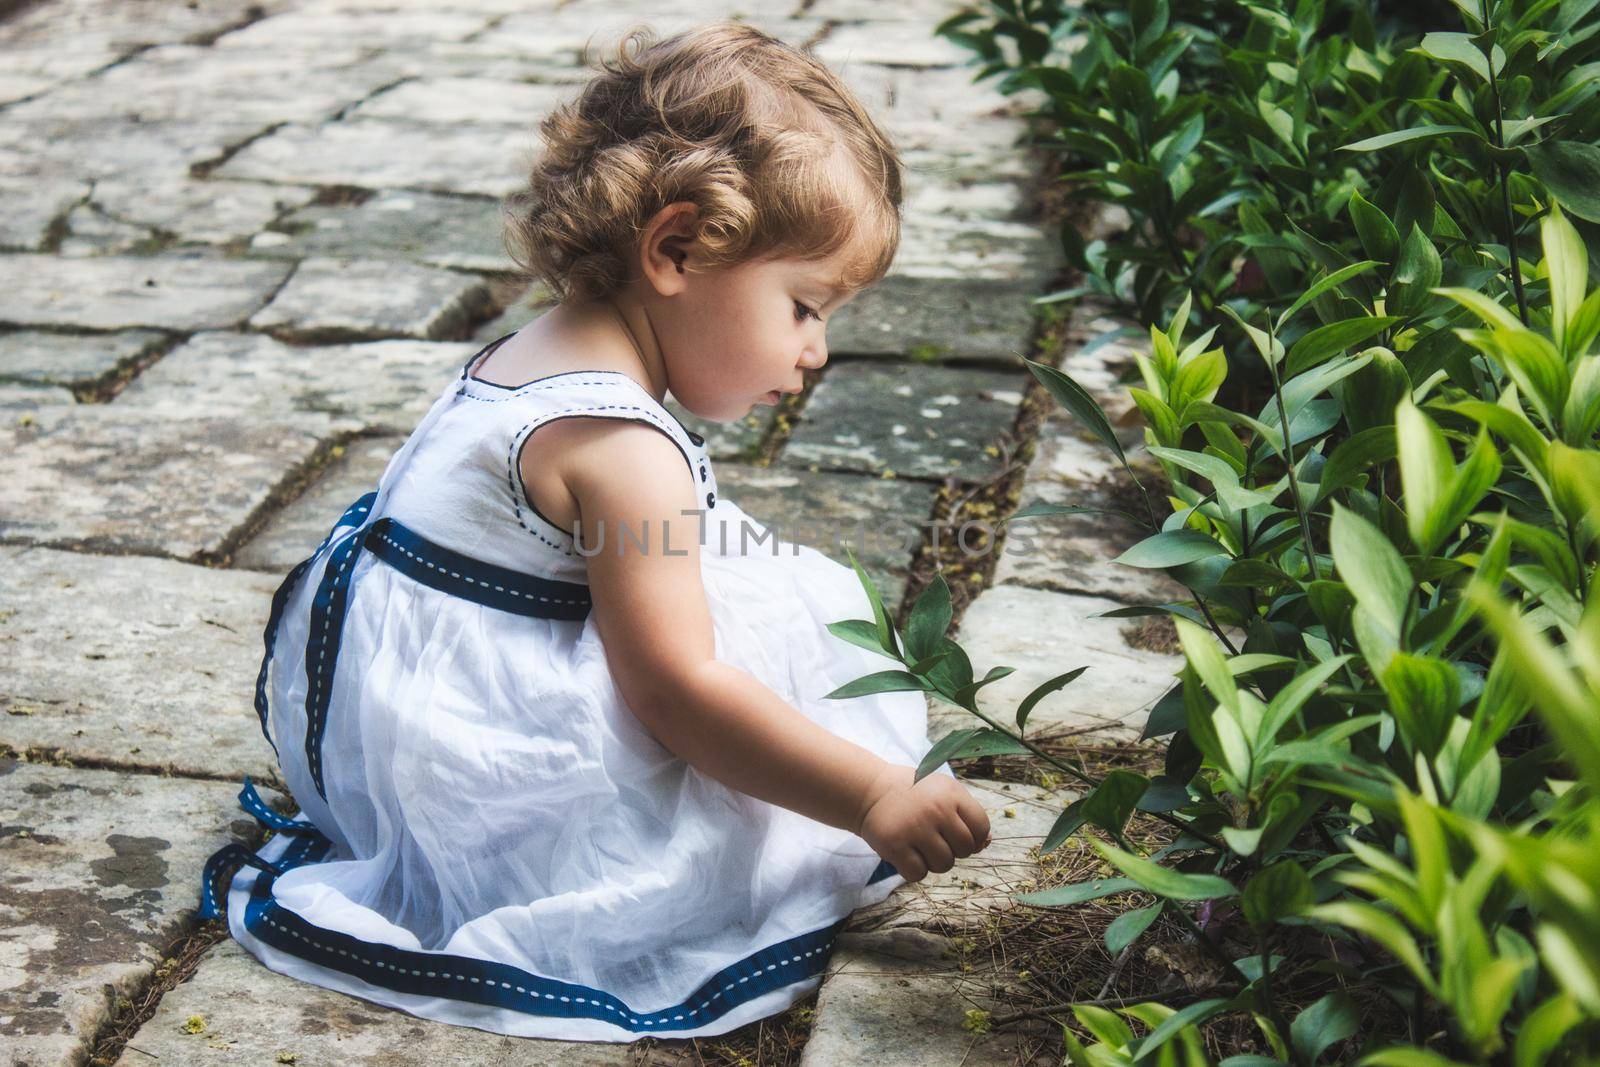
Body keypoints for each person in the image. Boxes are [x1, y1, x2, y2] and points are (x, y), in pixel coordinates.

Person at [198, 19, 993, 1043]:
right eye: (803, 305)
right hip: (500, 788)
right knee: (772, 656)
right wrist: (870, 793)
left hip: (388, 737)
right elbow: (675, 690)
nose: (816, 351)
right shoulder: (625, 449)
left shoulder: (530, 352)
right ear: (674, 247)